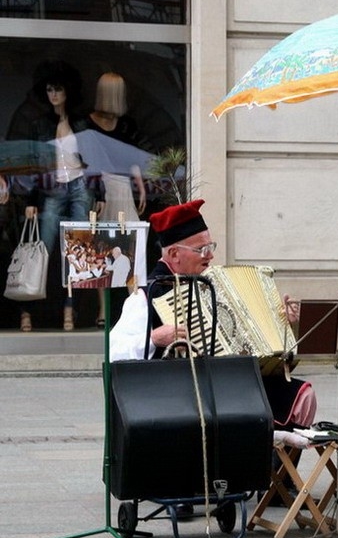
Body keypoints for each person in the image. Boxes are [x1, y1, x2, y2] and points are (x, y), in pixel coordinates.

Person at [109, 199, 318, 431]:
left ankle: (269, 468)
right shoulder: (146, 296)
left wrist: (283, 325)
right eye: (202, 250)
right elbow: (113, 352)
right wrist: (153, 339)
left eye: (211, 247)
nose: (210, 257)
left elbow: (249, 342)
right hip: (182, 395)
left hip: (227, 385)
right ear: (175, 254)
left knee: (302, 397)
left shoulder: (216, 285)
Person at [19, 60, 102, 332]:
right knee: (42, 251)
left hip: (79, 187)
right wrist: (32, 199)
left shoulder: (81, 122)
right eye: (49, 90)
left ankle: (70, 310)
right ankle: (27, 310)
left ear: (68, 92)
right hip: (52, 189)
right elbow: (35, 164)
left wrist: (98, 192)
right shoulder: (40, 125)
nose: (53, 94)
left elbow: (93, 158)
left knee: (77, 253)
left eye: (58, 89)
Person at [86, 72, 150, 326]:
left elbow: (131, 158)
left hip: (122, 187)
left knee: (129, 246)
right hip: (101, 188)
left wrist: (139, 185)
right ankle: (103, 310)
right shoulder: (87, 125)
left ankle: (133, 304)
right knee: (101, 249)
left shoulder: (126, 125)